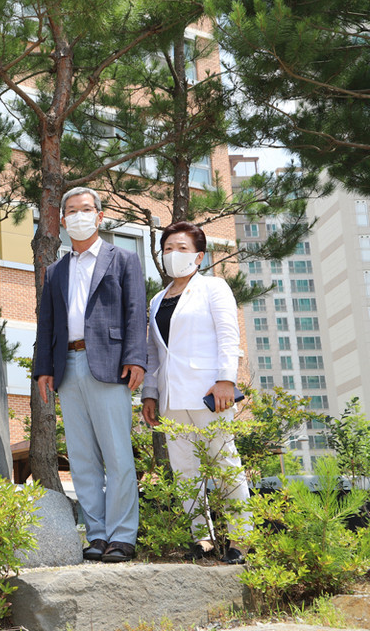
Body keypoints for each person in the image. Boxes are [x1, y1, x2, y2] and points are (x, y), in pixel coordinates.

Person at [33, 187, 148, 563]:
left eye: (86, 209)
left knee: (117, 455)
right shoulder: (56, 271)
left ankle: (122, 536)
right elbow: (46, 324)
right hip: (67, 366)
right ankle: (96, 534)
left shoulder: (124, 260)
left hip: (110, 365)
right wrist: (43, 370)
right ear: (62, 220)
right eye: (71, 211)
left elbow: (135, 312)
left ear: (99, 216)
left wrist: (136, 357)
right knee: (82, 459)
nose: (79, 216)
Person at [141, 221, 251, 564]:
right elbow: (154, 352)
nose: (174, 254)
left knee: (224, 462)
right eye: (169, 248)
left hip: (210, 393)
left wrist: (225, 381)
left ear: (199, 256)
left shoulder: (214, 288)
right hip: (172, 396)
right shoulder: (157, 299)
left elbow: (228, 336)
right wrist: (149, 394)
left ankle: (241, 539)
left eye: (183, 248)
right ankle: (200, 538)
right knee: (184, 467)